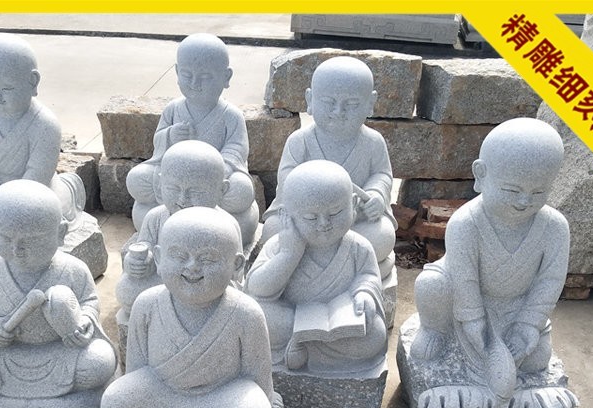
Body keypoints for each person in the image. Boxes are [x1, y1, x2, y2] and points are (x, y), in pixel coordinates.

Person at [410, 117, 570, 400]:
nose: (524, 201)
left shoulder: (555, 227)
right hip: (463, 305)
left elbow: (549, 281)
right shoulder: (465, 223)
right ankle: (435, 330)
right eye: (512, 190)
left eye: (538, 192)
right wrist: (480, 332)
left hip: (516, 306)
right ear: (481, 174)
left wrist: (528, 325)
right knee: (431, 285)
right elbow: (465, 282)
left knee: (536, 360)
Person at [102, 207, 279, 408]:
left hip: (223, 399)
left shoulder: (245, 312)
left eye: (208, 259)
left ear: (236, 264)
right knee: (114, 404)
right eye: (179, 256)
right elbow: (137, 371)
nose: (192, 267)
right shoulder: (146, 304)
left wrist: (265, 402)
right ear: (159, 258)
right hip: (160, 395)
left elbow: (256, 377)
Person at [0, 180, 116, 399]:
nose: (17, 249)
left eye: (32, 240)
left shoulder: (74, 269)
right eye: (5, 238)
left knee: (99, 362)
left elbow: (89, 301)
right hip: (6, 352)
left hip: (61, 351)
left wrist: (83, 322)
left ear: (60, 233)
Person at [261, 56, 397, 285]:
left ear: (370, 103)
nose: (338, 111)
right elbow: (287, 179)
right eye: (328, 101)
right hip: (306, 219)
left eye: (351, 104)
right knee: (274, 230)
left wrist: (376, 195)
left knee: (382, 235)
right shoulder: (300, 141)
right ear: (310, 100)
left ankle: (317, 269)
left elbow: (382, 175)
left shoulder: (373, 142)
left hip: (353, 220)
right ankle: (341, 269)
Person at [245, 160, 387, 374]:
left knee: (376, 334)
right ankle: (301, 343)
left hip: (339, 326)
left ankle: (304, 350)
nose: (324, 223)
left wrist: (364, 293)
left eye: (335, 213)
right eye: (311, 217)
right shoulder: (280, 245)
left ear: (353, 204)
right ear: (286, 216)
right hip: (291, 320)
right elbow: (257, 289)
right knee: (258, 314)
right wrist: (289, 255)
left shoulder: (359, 247)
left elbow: (368, 276)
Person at [125, 33, 258, 244]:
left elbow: (236, 149)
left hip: (213, 179)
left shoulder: (231, 115)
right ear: (177, 72)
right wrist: (169, 136)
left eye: (205, 77)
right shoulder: (173, 109)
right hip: (175, 177)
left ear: (226, 77)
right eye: (187, 75)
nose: (195, 83)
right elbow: (158, 143)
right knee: (137, 178)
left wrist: (220, 168)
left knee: (241, 191)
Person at [0, 33, 84, 230]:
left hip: (32, 189)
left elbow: (36, 178)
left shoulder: (45, 125)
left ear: (33, 81)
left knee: (38, 214)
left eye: (7, 88)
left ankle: (68, 191)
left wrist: (4, 207)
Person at [116, 140, 235, 322]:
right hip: (166, 282)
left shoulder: (225, 225)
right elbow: (146, 246)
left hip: (207, 286)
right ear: (160, 184)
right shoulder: (155, 217)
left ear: (222, 190)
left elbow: (233, 271)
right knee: (127, 288)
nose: (182, 199)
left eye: (195, 191)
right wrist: (137, 262)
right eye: (173, 188)